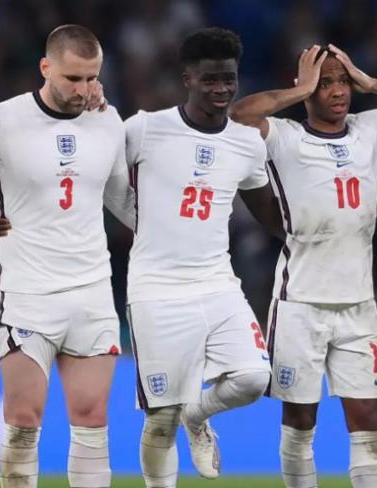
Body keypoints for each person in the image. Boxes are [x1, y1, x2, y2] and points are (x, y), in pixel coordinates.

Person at [230, 44, 377, 488]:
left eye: (343, 81)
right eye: (326, 82)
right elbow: (238, 117)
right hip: (299, 303)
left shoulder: (370, 127)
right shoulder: (284, 135)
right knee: (299, 419)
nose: (337, 91)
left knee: (368, 415)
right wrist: (299, 90)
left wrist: (374, 83)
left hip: (358, 306)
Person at [0, 24, 133, 488]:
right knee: (23, 422)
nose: (84, 90)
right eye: (72, 78)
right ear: (45, 67)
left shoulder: (108, 121)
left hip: (91, 293)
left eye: (91, 78)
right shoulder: (1, 122)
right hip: (27, 294)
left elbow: (125, 203)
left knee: (92, 418)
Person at [124, 27, 281, 486]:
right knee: (160, 419)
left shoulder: (247, 143)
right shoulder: (145, 129)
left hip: (217, 282)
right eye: (210, 80)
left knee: (254, 377)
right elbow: (103, 181)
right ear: (187, 78)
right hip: (156, 289)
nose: (222, 89)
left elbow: (271, 215)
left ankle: (199, 414)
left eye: (229, 80)